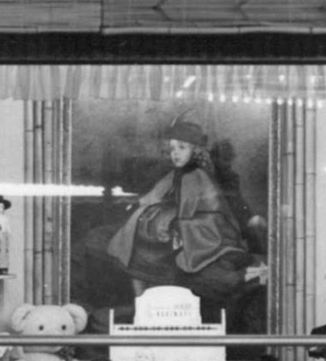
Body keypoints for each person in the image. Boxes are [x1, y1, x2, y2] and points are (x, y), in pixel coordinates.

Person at [106, 117, 252, 302]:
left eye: (182, 148)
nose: (175, 153)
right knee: (137, 247)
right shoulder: (175, 174)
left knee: (154, 258)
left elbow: (212, 216)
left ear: (195, 150)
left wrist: (179, 225)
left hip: (201, 235)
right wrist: (138, 205)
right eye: (172, 148)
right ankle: (141, 303)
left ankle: (149, 301)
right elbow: (153, 196)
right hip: (175, 232)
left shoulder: (199, 176)